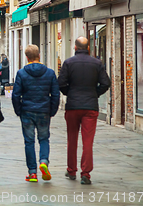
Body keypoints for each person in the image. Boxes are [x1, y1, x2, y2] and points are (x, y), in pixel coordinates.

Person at [58, 37, 110, 185]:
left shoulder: (68, 63)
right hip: (90, 107)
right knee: (88, 141)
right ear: (88, 48)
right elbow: (106, 83)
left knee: (72, 139)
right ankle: (86, 173)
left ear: (75, 47)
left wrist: (70, 93)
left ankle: (71, 170)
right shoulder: (97, 63)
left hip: (73, 106)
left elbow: (60, 83)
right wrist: (95, 93)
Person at [12, 45, 60, 183]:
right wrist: (52, 110)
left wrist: (18, 111)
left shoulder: (21, 73)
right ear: (39, 55)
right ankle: (44, 161)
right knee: (44, 139)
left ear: (26, 57)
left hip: (27, 111)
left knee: (29, 142)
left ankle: (32, 173)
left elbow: (16, 95)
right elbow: (55, 94)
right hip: (44, 110)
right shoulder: (50, 73)